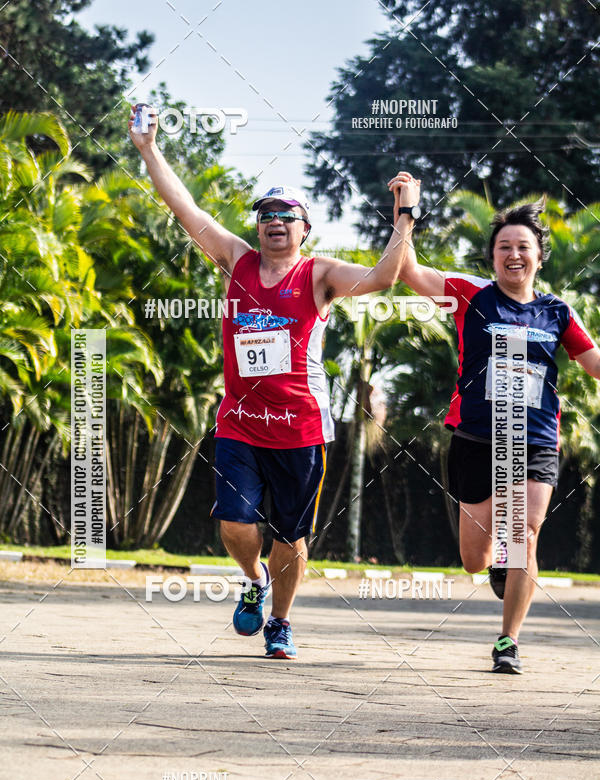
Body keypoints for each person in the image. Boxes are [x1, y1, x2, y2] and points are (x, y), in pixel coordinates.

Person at [129, 106, 421, 659]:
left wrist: (404, 216)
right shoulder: (235, 260)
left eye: (287, 213)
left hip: (301, 429)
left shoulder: (320, 274)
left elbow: (384, 277)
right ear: (257, 225)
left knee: (291, 536)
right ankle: (254, 580)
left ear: (304, 228)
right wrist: (149, 149)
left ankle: (280, 621)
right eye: (266, 212)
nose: (275, 220)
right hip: (240, 422)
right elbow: (183, 207)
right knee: (236, 525)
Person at [392, 172, 600, 673]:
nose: (514, 255)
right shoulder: (470, 296)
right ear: (493, 256)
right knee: (475, 557)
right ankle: (497, 569)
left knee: (524, 532)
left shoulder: (558, 313)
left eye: (523, 246)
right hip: (477, 438)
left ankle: (508, 640)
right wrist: (406, 211)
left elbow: (594, 362)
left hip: (534, 439)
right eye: (504, 246)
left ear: (538, 256)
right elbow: (407, 271)